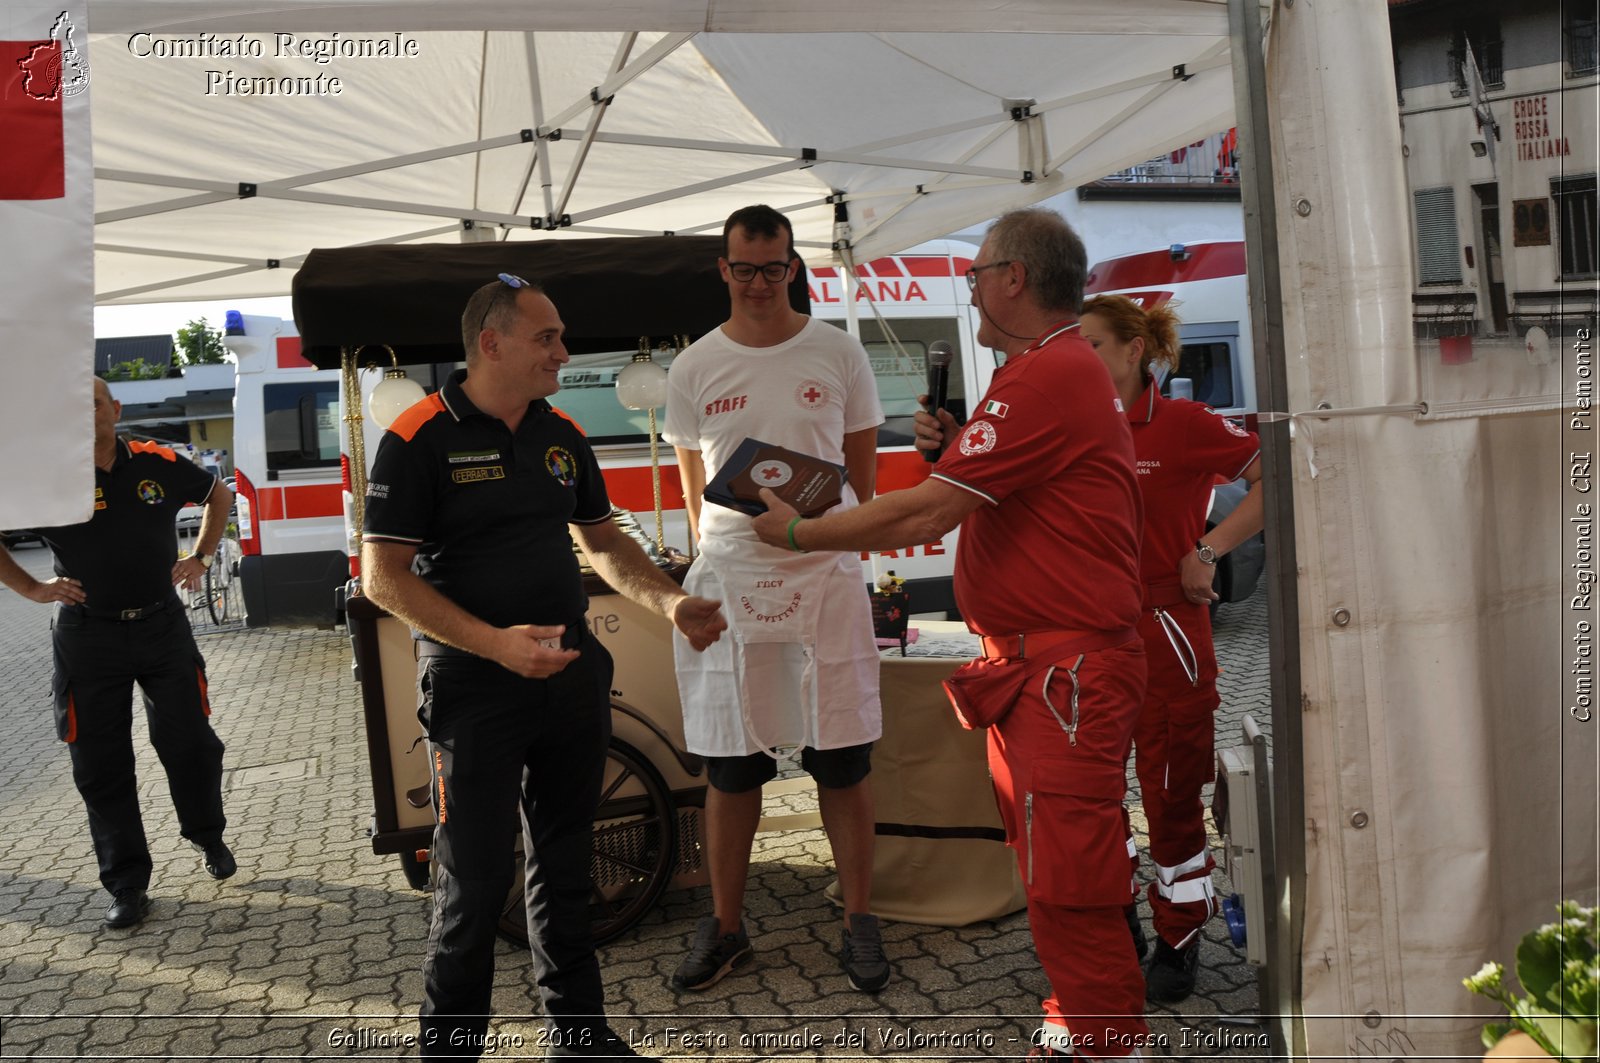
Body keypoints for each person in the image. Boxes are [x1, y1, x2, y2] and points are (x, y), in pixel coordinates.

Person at [751, 207, 1152, 1059]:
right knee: (1052, 870)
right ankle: (1080, 1022)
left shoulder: (1050, 372)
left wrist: (800, 532)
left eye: (976, 275)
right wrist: (953, 449)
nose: (969, 290)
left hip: (1065, 675)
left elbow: (933, 511)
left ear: (1013, 278)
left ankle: (1111, 1041)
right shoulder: (1043, 371)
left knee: (1071, 881)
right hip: (1041, 672)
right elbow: (993, 494)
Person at [360, 274, 727, 1061]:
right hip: (474, 691)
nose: (564, 350)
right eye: (547, 337)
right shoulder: (418, 435)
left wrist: (671, 604)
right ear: (491, 344)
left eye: (561, 336)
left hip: (569, 681)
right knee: (474, 885)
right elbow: (382, 578)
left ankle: (580, 1039)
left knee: (568, 867)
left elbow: (605, 542)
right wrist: (497, 645)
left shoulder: (561, 431)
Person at [661, 205, 890, 994]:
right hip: (732, 578)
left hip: (824, 573)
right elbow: (698, 499)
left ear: (794, 266)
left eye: (774, 267)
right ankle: (726, 928)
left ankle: (860, 919)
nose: (760, 283)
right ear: (723, 271)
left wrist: (816, 526)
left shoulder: (837, 352)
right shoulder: (693, 367)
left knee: (843, 758)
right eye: (744, 268)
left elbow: (865, 481)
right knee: (729, 767)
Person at [1078, 294, 1264, 1003]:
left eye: (1091, 345)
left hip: (1166, 632)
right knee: (1091, 793)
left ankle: (1180, 934)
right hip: (1090, 634)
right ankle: (1115, 916)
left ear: (1133, 350)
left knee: (1170, 793)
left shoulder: (1182, 423)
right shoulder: (1072, 423)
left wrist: (1208, 549)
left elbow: (1270, 473)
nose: (1079, 359)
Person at [0, 377, 237, 930]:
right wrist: (33, 589)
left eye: (96, 403)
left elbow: (218, 493)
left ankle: (208, 837)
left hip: (162, 627)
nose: (88, 414)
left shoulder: (157, 460)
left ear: (115, 409)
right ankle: (127, 884)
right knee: (100, 763)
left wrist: (200, 556)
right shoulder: (45, 476)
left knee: (191, 742)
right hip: (88, 638)